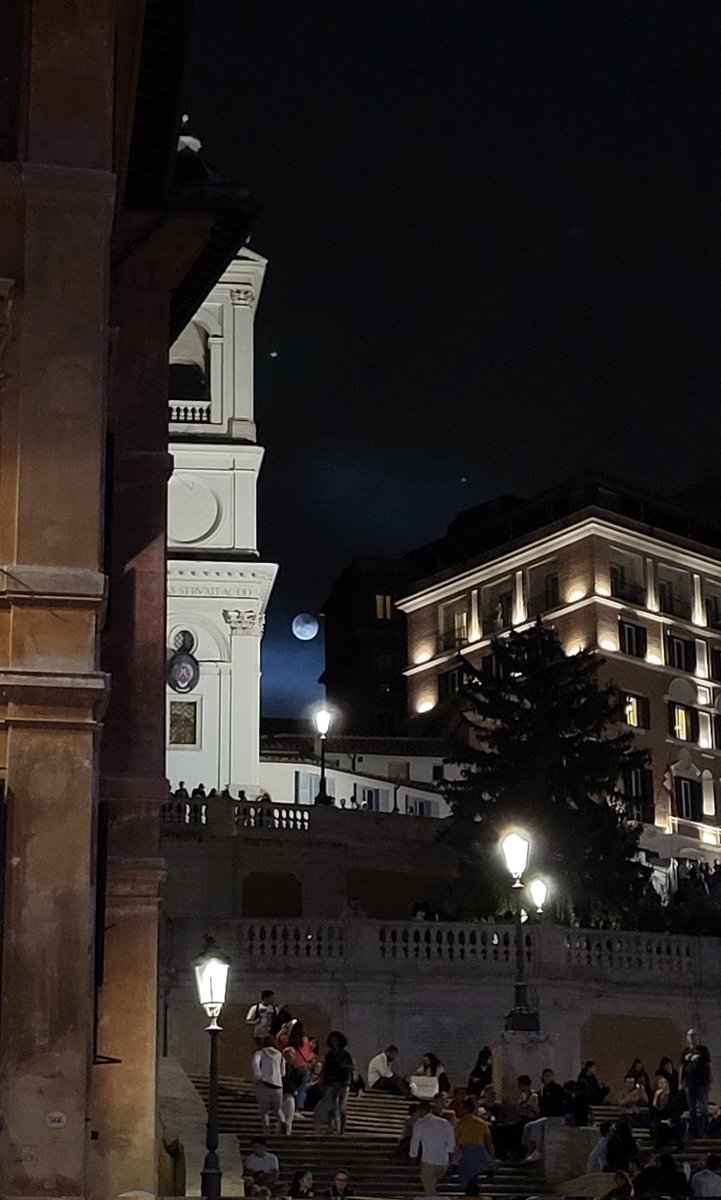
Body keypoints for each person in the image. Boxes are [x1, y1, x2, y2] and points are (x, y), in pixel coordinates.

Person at [409, 1098, 456, 1195]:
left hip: (428, 1160)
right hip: (443, 1161)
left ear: (421, 1111)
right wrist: (448, 1152)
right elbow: (451, 1142)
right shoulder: (444, 1123)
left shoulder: (420, 1124)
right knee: (433, 1185)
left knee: (429, 1189)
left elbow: (415, 1142)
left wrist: (413, 1156)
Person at [314, 1031, 354, 1135]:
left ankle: (342, 1128)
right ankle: (332, 1127)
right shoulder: (329, 1055)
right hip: (332, 1083)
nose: (333, 1042)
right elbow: (326, 1069)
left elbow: (349, 1067)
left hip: (343, 1083)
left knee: (341, 1107)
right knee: (331, 1107)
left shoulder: (345, 1055)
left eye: (335, 1040)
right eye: (332, 1040)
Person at [455, 1096, 496, 1191]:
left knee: (467, 1175)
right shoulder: (482, 1123)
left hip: (466, 1153)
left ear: (464, 1109)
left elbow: (455, 1141)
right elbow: (489, 1143)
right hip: (481, 1153)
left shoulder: (460, 1124)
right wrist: (492, 1160)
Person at [682, 1028, 711, 1140]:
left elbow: (706, 1062)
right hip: (690, 1084)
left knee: (703, 1109)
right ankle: (694, 1133)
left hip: (701, 1084)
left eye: (694, 1035)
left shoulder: (703, 1051)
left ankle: (705, 1132)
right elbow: (683, 1067)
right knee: (692, 1109)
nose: (692, 1038)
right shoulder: (685, 1052)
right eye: (690, 1036)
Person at [252, 1035, 285, 1133]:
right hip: (278, 1086)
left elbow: (255, 1065)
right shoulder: (279, 1054)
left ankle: (266, 1130)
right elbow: (283, 1072)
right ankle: (283, 1123)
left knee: (264, 1111)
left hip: (264, 1084)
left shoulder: (260, 1053)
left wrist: (258, 1077)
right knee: (278, 1110)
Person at [287, 1023, 313, 1112]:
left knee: (293, 1087)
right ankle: (299, 1108)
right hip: (303, 1065)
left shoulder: (291, 1040)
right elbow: (307, 1053)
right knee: (302, 1088)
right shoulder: (305, 1040)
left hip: (293, 1066)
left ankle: (291, 1107)